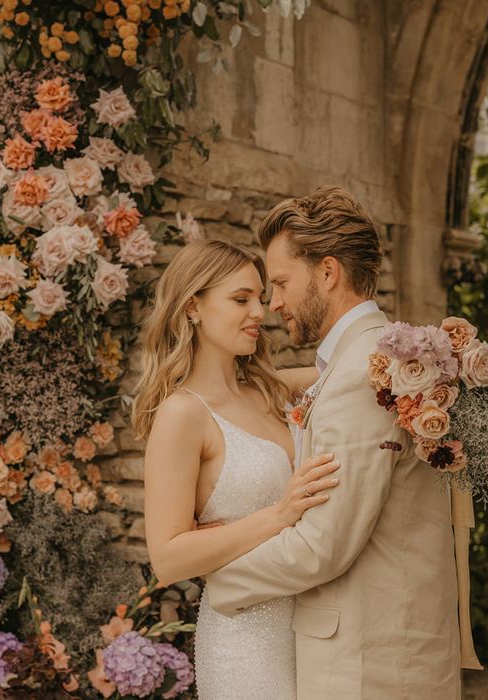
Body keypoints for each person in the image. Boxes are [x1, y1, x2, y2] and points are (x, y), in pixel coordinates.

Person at [205, 186, 472, 699]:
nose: (273, 303)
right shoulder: (373, 359)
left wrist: (216, 575)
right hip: (390, 651)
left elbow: (323, 547)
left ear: (328, 273)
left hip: (368, 666)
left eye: (280, 282)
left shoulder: (359, 376)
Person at [131, 239, 340, 699]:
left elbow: (356, 368)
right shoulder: (182, 414)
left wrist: (432, 349)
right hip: (245, 643)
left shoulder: (274, 390)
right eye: (240, 299)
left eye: (261, 299)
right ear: (193, 307)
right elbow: (167, 558)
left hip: (315, 630)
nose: (259, 313)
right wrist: (278, 515)